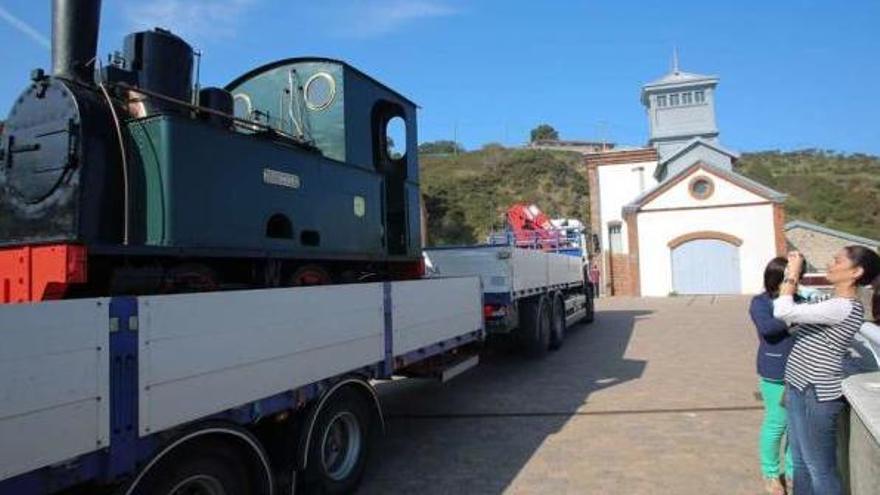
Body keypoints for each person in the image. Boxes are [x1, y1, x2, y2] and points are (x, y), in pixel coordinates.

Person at [773, 246, 880, 495]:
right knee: (800, 464)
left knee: (819, 469)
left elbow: (782, 310)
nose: (830, 265)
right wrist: (791, 277)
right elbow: (790, 319)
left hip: (817, 393)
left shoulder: (843, 307)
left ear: (856, 271)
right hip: (799, 387)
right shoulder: (829, 301)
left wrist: (792, 274)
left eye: (837, 260)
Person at [749, 257, 795, 494]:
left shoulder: (802, 300)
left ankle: (792, 473)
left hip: (802, 373)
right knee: (777, 424)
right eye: (792, 276)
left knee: (796, 428)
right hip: (775, 371)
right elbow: (767, 329)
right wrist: (793, 316)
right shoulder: (761, 302)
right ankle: (771, 474)